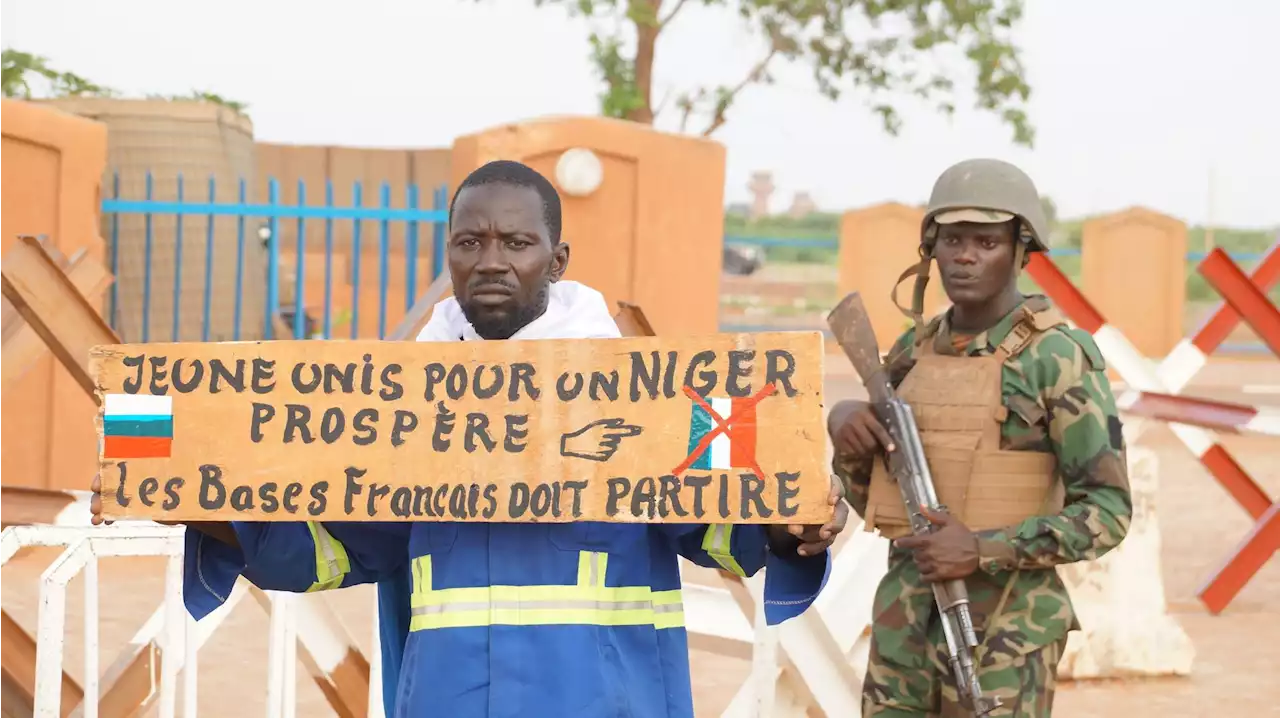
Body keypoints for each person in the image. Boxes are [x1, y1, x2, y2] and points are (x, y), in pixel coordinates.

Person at [94, 160, 848, 718]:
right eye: (469, 242)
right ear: (449, 256)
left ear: (557, 262)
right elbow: (336, 545)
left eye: (516, 242)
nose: (490, 261)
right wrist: (196, 502)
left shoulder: (643, 391)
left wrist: (792, 527)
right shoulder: (400, 405)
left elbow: (729, 525)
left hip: (611, 703)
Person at [826, 158, 1132, 717]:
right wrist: (847, 436)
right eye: (952, 241)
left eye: (986, 242)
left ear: (1019, 250)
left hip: (1004, 636)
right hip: (905, 627)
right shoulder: (911, 353)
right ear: (931, 249)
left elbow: (1108, 511)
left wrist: (983, 548)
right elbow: (879, 498)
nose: (965, 256)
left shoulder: (1056, 357)